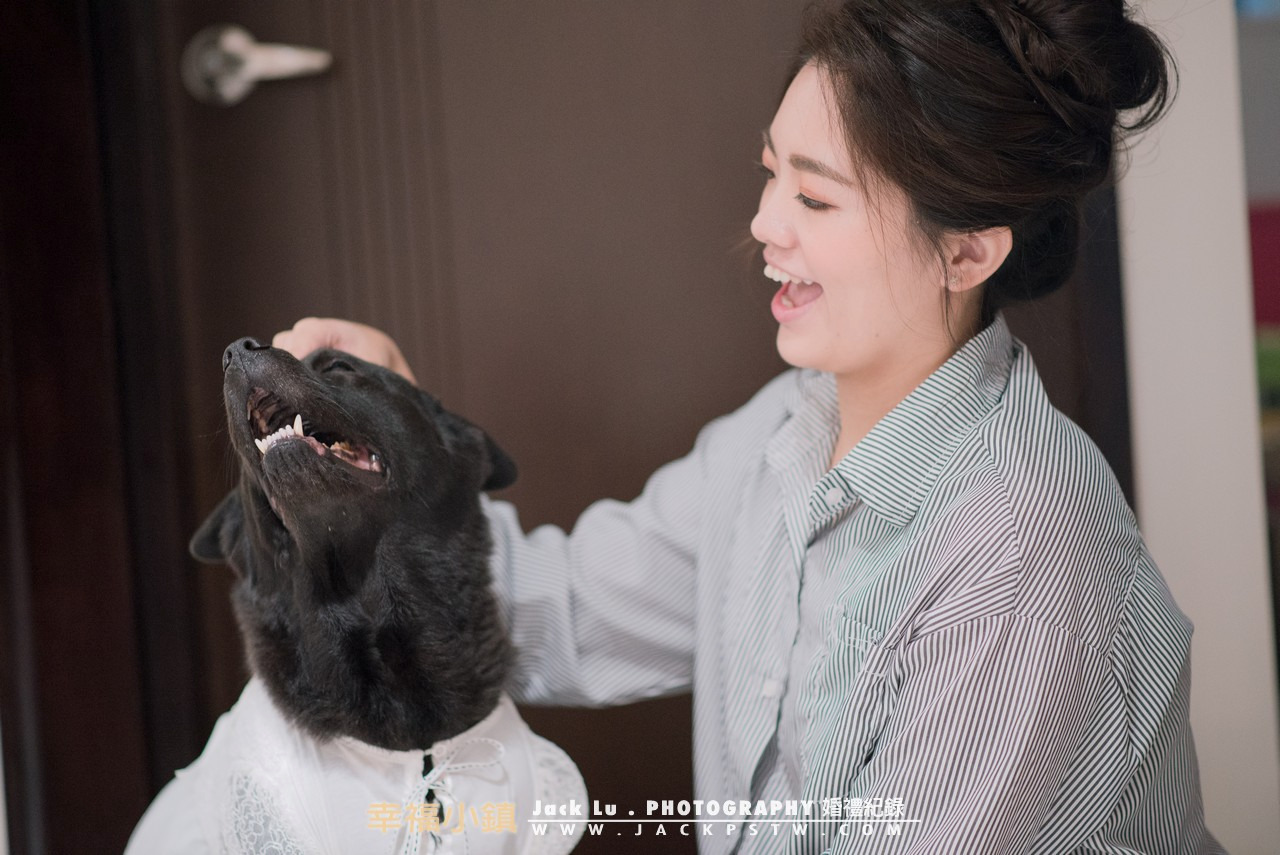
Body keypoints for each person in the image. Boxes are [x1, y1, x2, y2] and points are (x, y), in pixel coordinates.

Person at [275, 1, 1223, 852]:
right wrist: (397, 442)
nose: (766, 222)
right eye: (771, 172)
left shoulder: (1022, 562)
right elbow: (553, 613)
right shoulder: (786, 431)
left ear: (967, 252)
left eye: (815, 196)